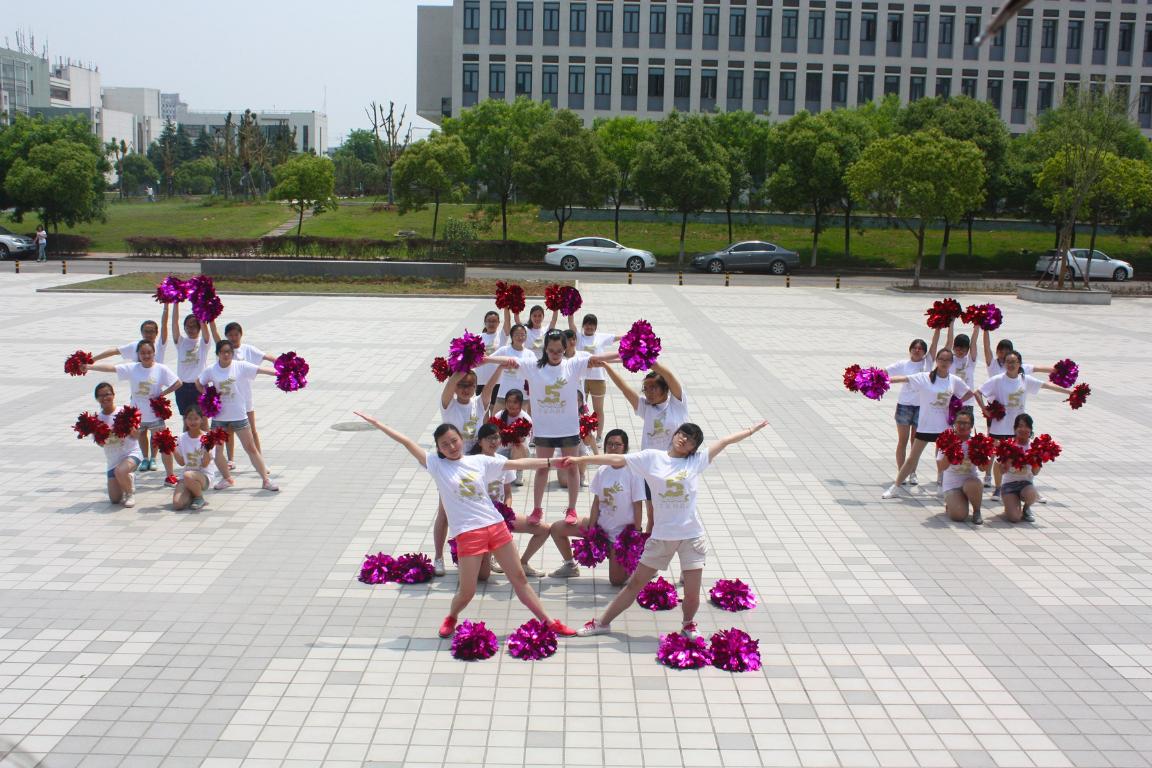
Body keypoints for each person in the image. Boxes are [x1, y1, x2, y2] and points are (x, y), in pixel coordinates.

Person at [353, 414, 579, 639]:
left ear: (461, 439)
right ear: (438, 449)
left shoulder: (478, 461)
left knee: (519, 579)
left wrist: (551, 462)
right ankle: (451, 617)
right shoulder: (436, 465)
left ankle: (549, 622)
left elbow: (517, 463)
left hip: (496, 526)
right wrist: (379, 424)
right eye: (445, 444)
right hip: (468, 534)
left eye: (454, 440)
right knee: (467, 591)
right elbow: (407, 442)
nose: (451, 447)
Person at [572, 420, 769, 639]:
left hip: (691, 537)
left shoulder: (696, 461)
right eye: (682, 434)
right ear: (675, 434)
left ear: (693, 449)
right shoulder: (653, 458)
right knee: (634, 584)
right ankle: (602, 623)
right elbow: (617, 459)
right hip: (662, 537)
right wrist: (580, 459)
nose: (684, 439)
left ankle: (688, 624)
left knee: (692, 593)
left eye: (691, 440)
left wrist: (751, 430)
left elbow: (724, 441)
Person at [489, 330, 619, 527]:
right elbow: (505, 359)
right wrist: (480, 359)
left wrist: (630, 353)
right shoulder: (533, 366)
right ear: (545, 349)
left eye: (559, 350)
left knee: (572, 468)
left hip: (569, 429)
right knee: (542, 469)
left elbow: (601, 358)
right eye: (551, 350)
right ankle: (537, 508)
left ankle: (572, 509)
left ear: (565, 348)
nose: (555, 354)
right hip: (544, 430)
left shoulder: (573, 364)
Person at [882, 348, 985, 499]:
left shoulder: (954, 380)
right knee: (912, 459)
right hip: (925, 426)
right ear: (936, 360)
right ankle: (896, 487)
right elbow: (904, 379)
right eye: (941, 359)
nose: (944, 363)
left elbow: (969, 393)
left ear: (951, 363)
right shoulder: (925, 377)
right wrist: (883, 379)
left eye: (947, 360)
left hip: (945, 429)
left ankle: (941, 485)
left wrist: (956, 403)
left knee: (942, 459)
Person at [431, 366, 503, 576]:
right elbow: (450, 383)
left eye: (470, 385)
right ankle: (438, 557)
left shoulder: (479, 403)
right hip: (450, 466)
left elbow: (491, 386)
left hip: (475, 466)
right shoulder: (448, 405)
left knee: (484, 510)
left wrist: (501, 367)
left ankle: (488, 556)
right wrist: (465, 363)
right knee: (444, 512)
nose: (465, 389)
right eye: (461, 385)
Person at [601, 360, 688, 533]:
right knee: (652, 516)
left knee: (671, 515)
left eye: (653, 388)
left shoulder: (677, 405)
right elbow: (624, 388)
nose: (648, 393)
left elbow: (669, 376)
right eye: (646, 389)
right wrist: (606, 366)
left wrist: (647, 359)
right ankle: (647, 547)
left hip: (673, 470)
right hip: (650, 470)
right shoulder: (646, 407)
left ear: (666, 388)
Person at [549, 429, 645, 585]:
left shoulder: (634, 473)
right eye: (610, 444)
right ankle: (570, 565)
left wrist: (637, 534)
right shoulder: (602, 470)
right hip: (601, 526)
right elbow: (596, 503)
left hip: (620, 535)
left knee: (616, 581)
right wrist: (592, 530)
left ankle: (637, 564)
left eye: (617, 445)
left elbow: (638, 506)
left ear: (625, 448)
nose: (613, 448)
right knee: (557, 528)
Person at [85, 341, 182, 485]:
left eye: (149, 353)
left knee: (165, 446)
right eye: (143, 353)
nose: (146, 356)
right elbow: (112, 368)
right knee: (132, 442)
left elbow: (178, 382)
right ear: (138, 354)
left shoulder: (161, 369)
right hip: (136, 417)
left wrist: (162, 394)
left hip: (155, 416)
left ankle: (170, 475)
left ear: (154, 353)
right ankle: (132, 467)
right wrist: (89, 366)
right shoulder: (133, 368)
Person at [978, 351, 1072, 498]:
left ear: (1019, 364)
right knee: (999, 459)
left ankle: (1026, 487)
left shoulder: (1025, 379)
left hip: (1019, 428)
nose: (1010, 365)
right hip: (1000, 427)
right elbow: (978, 392)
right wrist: (985, 409)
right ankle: (998, 488)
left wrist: (1070, 392)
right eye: (1008, 362)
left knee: (1022, 458)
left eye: (1014, 362)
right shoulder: (997, 380)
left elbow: (1046, 385)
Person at [196, 340, 279, 491]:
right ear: (218, 353)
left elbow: (261, 370)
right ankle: (227, 478)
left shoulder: (240, 366)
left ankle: (266, 480)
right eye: (223, 352)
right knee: (218, 451)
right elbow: (199, 382)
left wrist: (281, 373)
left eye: (229, 352)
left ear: (232, 353)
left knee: (250, 448)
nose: (226, 355)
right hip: (219, 418)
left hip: (239, 415)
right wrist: (207, 395)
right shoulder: (211, 370)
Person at [469, 423, 551, 576]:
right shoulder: (471, 463)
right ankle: (488, 557)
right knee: (483, 576)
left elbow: (508, 494)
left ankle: (523, 563)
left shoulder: (503, 461)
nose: (493, 442)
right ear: (479, 442)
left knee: (544, 529)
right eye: (489, 438)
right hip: (480, 518)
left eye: (496, 437)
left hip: (500, 515)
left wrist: (506, 512)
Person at [884, 329, 944, 485]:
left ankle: (912, 473)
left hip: (922, 407)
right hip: (904, 406)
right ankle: (901, 472)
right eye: (915, 348)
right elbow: (883, 372)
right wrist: (865, 377)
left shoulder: (928, 362)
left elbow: (935, 343)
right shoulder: (903, 364)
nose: (917, 350)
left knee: (915, 442)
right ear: (910, 349)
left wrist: (938, 328)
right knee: (902, 441)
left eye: (921, 348)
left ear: (924, 352)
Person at [222, 322, 277, 463]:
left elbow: (268, 357)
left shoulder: (248, 349)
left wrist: (285, 365)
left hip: (245, 396)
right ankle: (230, 460)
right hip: (230, 398)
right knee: (229, 429)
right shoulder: (224, 350)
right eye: (230, 335)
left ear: (241, 334)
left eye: (236, 334)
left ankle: (260, 459)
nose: (233, 338)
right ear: (226, 336)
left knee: (252, 429)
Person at [570, 313, 621, 442]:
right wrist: (570, 310)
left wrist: (635, 336)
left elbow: (618, 338)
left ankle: (598, 436)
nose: (589, 327)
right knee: (580, 409)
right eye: (587, 324)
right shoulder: (578, 337)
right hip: (582, 379)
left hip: (598, 379)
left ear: (596, 326)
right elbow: (571, 323)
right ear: (583, 325)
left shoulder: (601, 337)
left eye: (592, 325)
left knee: (598, 409)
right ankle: (581, 434)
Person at [90, 382, 142, 507]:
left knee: (120, 471)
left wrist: (131, 429)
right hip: (113, 460)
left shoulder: (124, 412)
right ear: (96, 398)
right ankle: (127, 478)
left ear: (113, 395)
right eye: (101, 395)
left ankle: (130, 493)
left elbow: (137, 436)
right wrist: (101, 437)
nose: (105, 398)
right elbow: (100, 444)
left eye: (107, 394)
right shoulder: (97, 419)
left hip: (131, 454)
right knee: (115, 499)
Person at [936, 410, 990, 525]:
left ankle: (977, 511)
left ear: (971, 426)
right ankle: (952, 504)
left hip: (970, 482)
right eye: (959, 422)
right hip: (952, 485)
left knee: (974, 484)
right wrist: (950, 449)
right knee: (959, 516)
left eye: (965, 423)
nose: (961, 426)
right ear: (954, 424)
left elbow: (983, 469)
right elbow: (942, 467)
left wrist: (982, 453)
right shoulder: (947, 440)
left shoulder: (976, 442)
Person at [172, 405, 220, 511]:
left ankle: (199, 497)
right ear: (185, 420)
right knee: (177, 505)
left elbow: (205, 464)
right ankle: (192, 492)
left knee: (188, 475)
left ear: (202, 420)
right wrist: (172, 448)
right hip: (187, 477)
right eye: (189, 418)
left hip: (204, 476)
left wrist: (207, 449)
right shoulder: (181, 438)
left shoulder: (208, 437)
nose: (193, 422)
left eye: (196, 418)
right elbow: (181, 463)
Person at [171, 303, 213, 416]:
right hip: (182, 387)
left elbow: (204, 326)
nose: (190, 329)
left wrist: (199, 306)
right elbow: (174, 323)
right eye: (188, 326)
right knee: (186, 419)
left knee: (202, 418)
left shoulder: (204, 343)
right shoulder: (180, 342)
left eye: (194, 326)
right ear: (184, 327)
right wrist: (176, 302)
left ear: (199, 327)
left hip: (199, 385)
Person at [1000, 413, 1041, 524]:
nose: (1023, 429)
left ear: (1031, 429)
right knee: (1014, 518)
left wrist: (1036, 460)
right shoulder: (1008, 445)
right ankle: (1011, 504)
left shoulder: (1035, 447)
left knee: (1031, 493)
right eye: (1020, 426)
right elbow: (1002, 471)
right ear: (1015, 429)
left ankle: (1026, 508)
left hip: (1026, 484)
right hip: (1009, 486)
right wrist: (1008, 460)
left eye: (1027, 426)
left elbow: (1035, 472)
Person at [492, 321, 537, 415]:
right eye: (517, 335)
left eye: (523, 335)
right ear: (512, 336)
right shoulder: (504, 350)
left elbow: (535, 372)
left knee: (520, 421)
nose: (520, 337)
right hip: (504, 393)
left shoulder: (530, 354)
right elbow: (490, 359)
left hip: (522, 395)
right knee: (495, 419)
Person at [91, 314, 170, 364]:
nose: (149, 334)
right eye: (146, 331)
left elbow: (164, 324)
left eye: (152, 332)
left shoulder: (160, 346)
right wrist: (92, 360)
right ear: (141, 332)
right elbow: (114, 351)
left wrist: (166, 304)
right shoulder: (135, 346)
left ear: (157, 333)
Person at [491, 387, 532, 484]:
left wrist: (515, 436)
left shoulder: (526, 419)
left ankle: (519, 473)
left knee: (518, 445)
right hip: (501, 449)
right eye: (509, 401)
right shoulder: (499, 416)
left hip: (519, 451)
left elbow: (525, 440)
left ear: (521, 404)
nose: (511, 405)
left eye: (515, 402)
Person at [474, 311, 507, 402]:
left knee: (495, 407)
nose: (491, 324)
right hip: (481, 380)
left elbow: (507, 321)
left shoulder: (501, 336)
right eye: (489, 321)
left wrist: (506, 307)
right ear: (485, 322)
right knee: (481, 407)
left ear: (498, 323)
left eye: (494, 321)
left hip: (498, 381)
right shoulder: (477, 337)